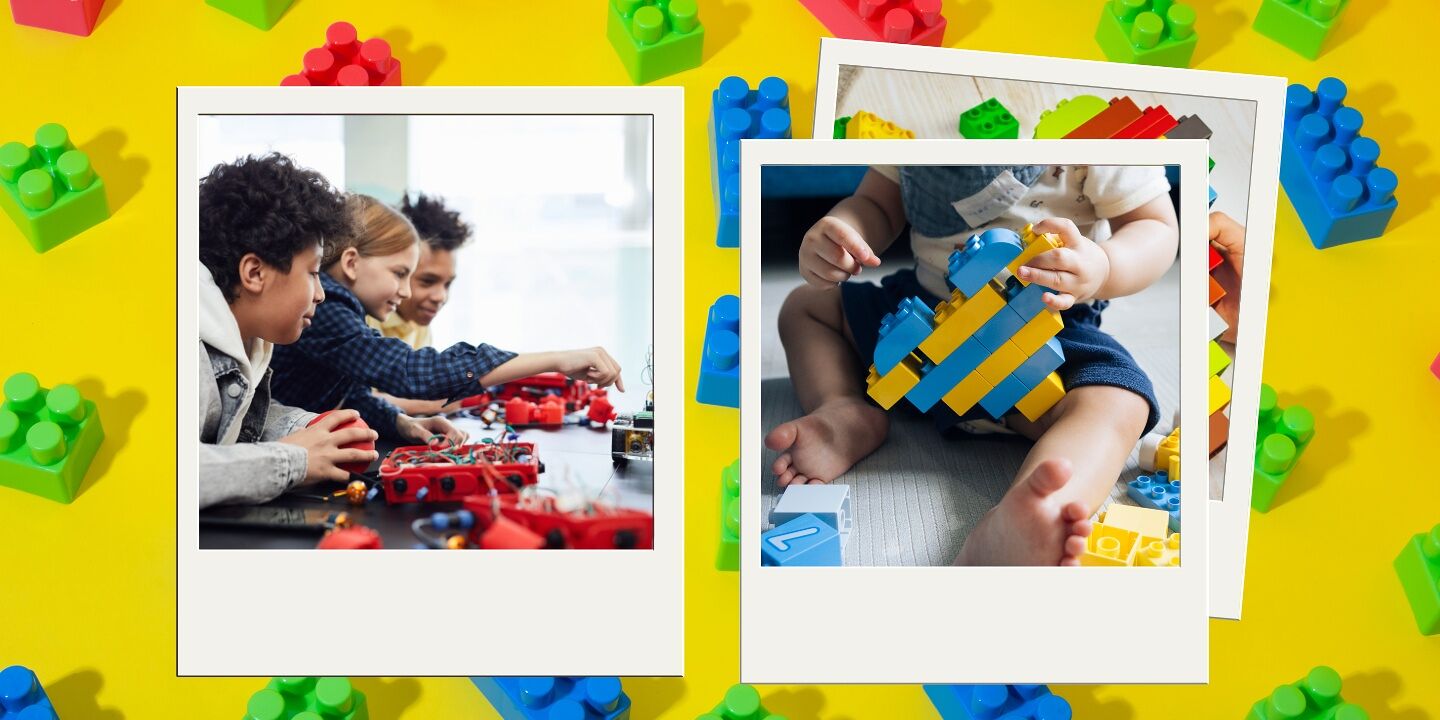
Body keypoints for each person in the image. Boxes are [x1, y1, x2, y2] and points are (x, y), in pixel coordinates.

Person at [766, 164, 1178, 566]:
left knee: (1118, 400)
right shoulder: (910, 123)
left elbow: (1154, 227)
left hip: (1044, 327)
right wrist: (842, 232)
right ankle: (842, 408)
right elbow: (876, 203)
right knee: (808, 306)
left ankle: (1036, 512)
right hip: (923, 325)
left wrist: (1103, 264)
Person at [271, 194, 626, 444]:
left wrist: (402, 422)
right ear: (351, 263)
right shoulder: (329, 307)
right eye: (400, 274)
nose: (407, 292)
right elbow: (411, 373)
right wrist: (557, 360)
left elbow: (349, 395)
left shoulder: (343, 310)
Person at [198, 154, 379, 509]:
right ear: (254, 273)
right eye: (312, 273)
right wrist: (294, 460)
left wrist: (314, 429)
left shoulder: (249, 339)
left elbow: (234, 427)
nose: (322, 293)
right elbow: (167, 470)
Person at [366, 193, 471, 415]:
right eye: (428, 281)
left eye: (448, 284)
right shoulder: (363, 318)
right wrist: (432, 403)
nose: (440, 296)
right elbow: (358, 399)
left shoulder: (420, 323)